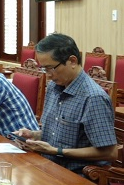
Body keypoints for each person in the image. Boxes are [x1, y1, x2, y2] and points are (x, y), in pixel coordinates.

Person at [14, 33, 117, 174]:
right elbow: (58, 134)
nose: (48, 75)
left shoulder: (93, 98)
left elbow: (109, 152)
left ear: (72, 61)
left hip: (77, 175)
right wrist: (34, 135)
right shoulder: (53, 88)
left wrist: (57, 151)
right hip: (48, 166)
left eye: (51, 68)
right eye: (44, 69)